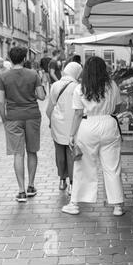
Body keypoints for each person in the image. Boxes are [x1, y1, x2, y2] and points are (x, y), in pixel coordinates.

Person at [62, 56, 124, 216]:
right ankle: (117, 206)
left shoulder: (80, 88)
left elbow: (77, 114)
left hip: (87, 126)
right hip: (109, 124)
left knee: (83, 166)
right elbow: (118, 107)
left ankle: (75, 204)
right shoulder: (112, 85)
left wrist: (71, 135)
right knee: (112, 167)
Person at [0, 47, 46, 202]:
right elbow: (42, 96)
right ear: (25, 59)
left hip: (13, 117)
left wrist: (5, 119)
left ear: (10, 59)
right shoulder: (33, 74)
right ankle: (31, 186)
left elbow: (0, 101)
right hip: (32, 116)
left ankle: (21, 191)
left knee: (18, 154)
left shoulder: (3, 77)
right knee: (32, 151)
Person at [46, 62, 82, 194]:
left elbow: (49, 108)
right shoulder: (78, 87)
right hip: (73, 125)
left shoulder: (55, 85)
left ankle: (62, 180)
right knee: (71, 153)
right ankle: (73, 183)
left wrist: (51, 121)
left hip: (57, 124)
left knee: (59, 154)